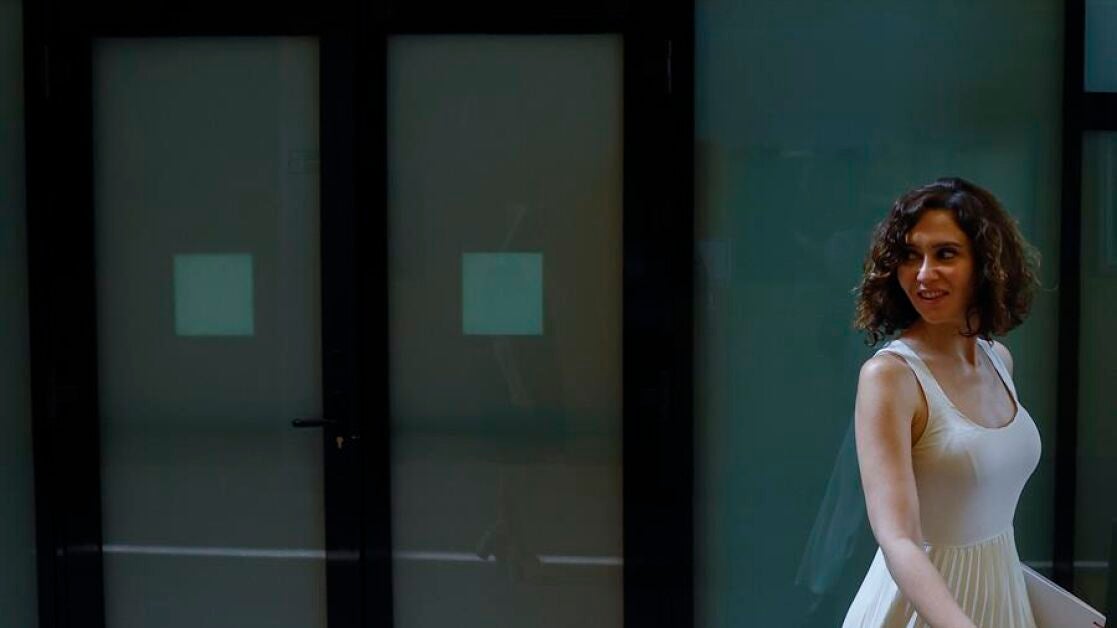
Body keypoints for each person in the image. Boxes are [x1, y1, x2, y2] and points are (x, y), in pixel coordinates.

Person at [842, 177, 1042, 628]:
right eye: (910, 256)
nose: (923, 273)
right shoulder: (890, 376)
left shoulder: (998, 360)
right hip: (923, 611)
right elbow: (897, 537)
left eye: (945, 254)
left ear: (986, 264)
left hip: (1001, 598)